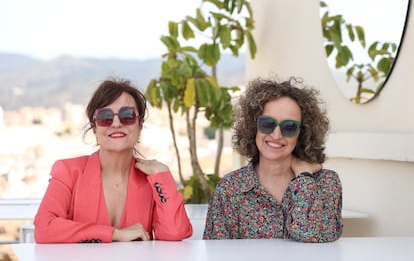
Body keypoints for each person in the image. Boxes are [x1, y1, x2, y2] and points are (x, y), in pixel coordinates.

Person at [34, 78, 193, 243]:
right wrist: (115, 234)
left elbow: (175, 233)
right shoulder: (68, 171)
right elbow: (44, 229)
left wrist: (163, 176)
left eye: (127, 115)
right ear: (94, 127)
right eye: (105, 117)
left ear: (140, 124)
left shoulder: (152, 179)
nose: (116, 124)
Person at [203, 76, 343, 242]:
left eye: (289, 127)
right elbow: (215, 254)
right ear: (253, 127)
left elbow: (317, 233)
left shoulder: (325, 182)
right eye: (267, 124)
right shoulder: (231, 188)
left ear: (302, 133)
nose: (276, 135)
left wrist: (304, 176)